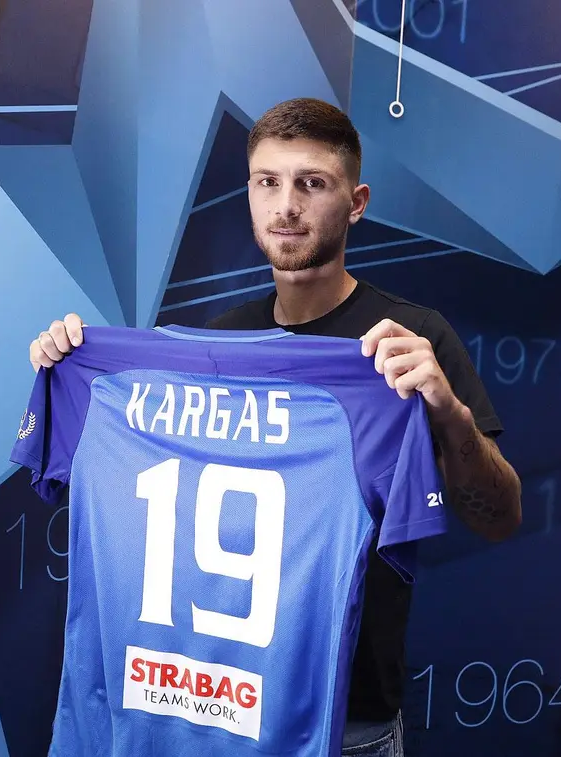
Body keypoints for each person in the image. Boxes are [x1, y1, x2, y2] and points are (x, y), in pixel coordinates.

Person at [29, 97, 522, 757]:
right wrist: (71, 366)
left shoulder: (409, 343)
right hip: (207, 714)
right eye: (268, 181)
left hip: (349, 729)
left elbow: (500, 516)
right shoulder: (217, 347)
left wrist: (448, 412)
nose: (286, 205)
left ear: (356, 202)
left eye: (311, 183)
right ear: (250, 194)